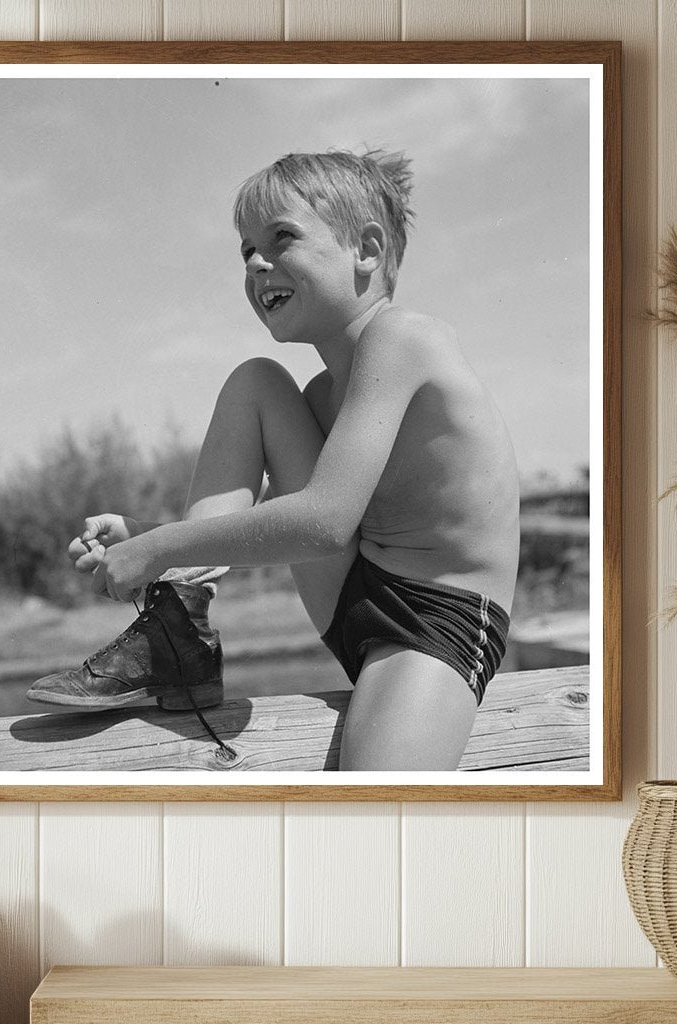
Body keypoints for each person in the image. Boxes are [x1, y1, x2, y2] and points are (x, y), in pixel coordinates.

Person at [28, 149, 520, 771]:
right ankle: (180, 622)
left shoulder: (405, 339)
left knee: (382, 821)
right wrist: (150, 538)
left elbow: (322, 523)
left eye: (281, 238)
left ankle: (176, 604)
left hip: (435, 621)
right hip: (354, 592)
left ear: (366, 252)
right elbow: (289, 522)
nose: (257, 261)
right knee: (255, 382)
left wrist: (159, 549)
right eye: (246, 250)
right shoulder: (317, 398)